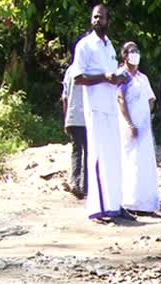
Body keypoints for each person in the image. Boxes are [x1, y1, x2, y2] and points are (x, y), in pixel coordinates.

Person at [71, 4, 129, 222]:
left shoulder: (109, 46)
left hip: (111, 107)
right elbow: (78, 78)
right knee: (97, 155)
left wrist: (117, 78)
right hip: (95, 108)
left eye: (101, 18)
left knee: (114, 157)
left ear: (108, 20)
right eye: (95, 17)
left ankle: (114, 205)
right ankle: (97, 209)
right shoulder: (85, 45)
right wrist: (104, 78)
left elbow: (112, 75)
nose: (98, 21)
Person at [116, 41, 159, 214]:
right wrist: (130, 122)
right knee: (130, 161)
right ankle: (130, 202)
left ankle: (146, 203)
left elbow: (151, 99)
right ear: (125, 55)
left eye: (137, 50)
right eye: (131, 51)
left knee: (145, 162)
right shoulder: (122, 75)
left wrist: (144, 116)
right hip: (128, 126)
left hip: (144, 127)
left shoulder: (142, 78)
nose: (135, 54)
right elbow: (120, 99)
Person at [61, 41, 87, 199]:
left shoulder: (70, 71)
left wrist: (66, 119)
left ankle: (75, 182)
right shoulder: (87, 70)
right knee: (88, 150)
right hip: (85, 116)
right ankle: (85, 185)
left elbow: (64, 98)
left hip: (72, 115)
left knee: (77, 150)